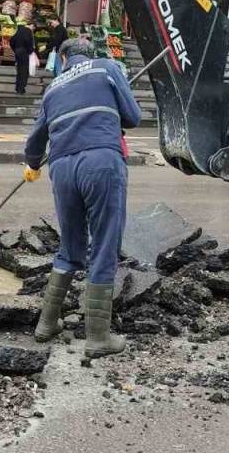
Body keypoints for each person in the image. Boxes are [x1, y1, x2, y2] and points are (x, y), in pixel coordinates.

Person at [24, 38, 140, 359]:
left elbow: (34, 142)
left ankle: (46, 324)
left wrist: (33, 164)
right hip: (101, 161)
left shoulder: (52, 90)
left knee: (70, 245)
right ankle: (98, 337)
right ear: (90, 54)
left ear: (62, 59)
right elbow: (133, 116)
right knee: (103, 243)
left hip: (61, 169)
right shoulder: (107, 68)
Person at [10, 21, 35, 94]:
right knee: (24, 70)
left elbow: (12, 40)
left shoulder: (19, 30)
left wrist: (14, 49)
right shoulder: (28, 31)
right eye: (33, 28)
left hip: (17, 51)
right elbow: (28, 41)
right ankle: (21, 88)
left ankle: (18, 87)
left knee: (19, 69)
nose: (33, 29)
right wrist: (31, 51)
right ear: (31, 25)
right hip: (24, 52)